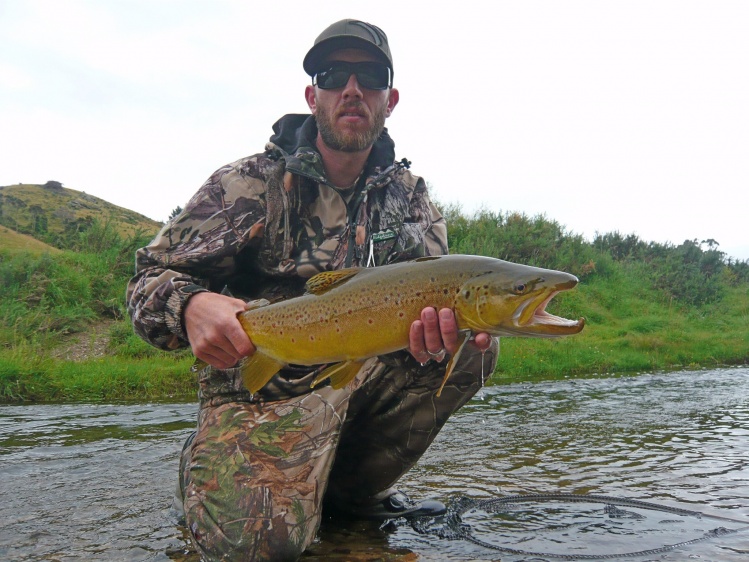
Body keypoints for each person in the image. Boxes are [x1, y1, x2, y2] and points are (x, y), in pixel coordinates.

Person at [127, 19, 497, 562]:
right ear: (313, 95)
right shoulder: (245, 185)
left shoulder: (411, 201)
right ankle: (219, 464)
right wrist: (190, 306)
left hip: (355, 376)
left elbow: (438, 297)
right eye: (333, 75)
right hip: (259, 391)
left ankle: (344, 493)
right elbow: (146, 278)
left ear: (389, 100)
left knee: (469, 351)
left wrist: (445, 335)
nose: (352, 89)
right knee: (259, 550)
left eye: (368, 76)